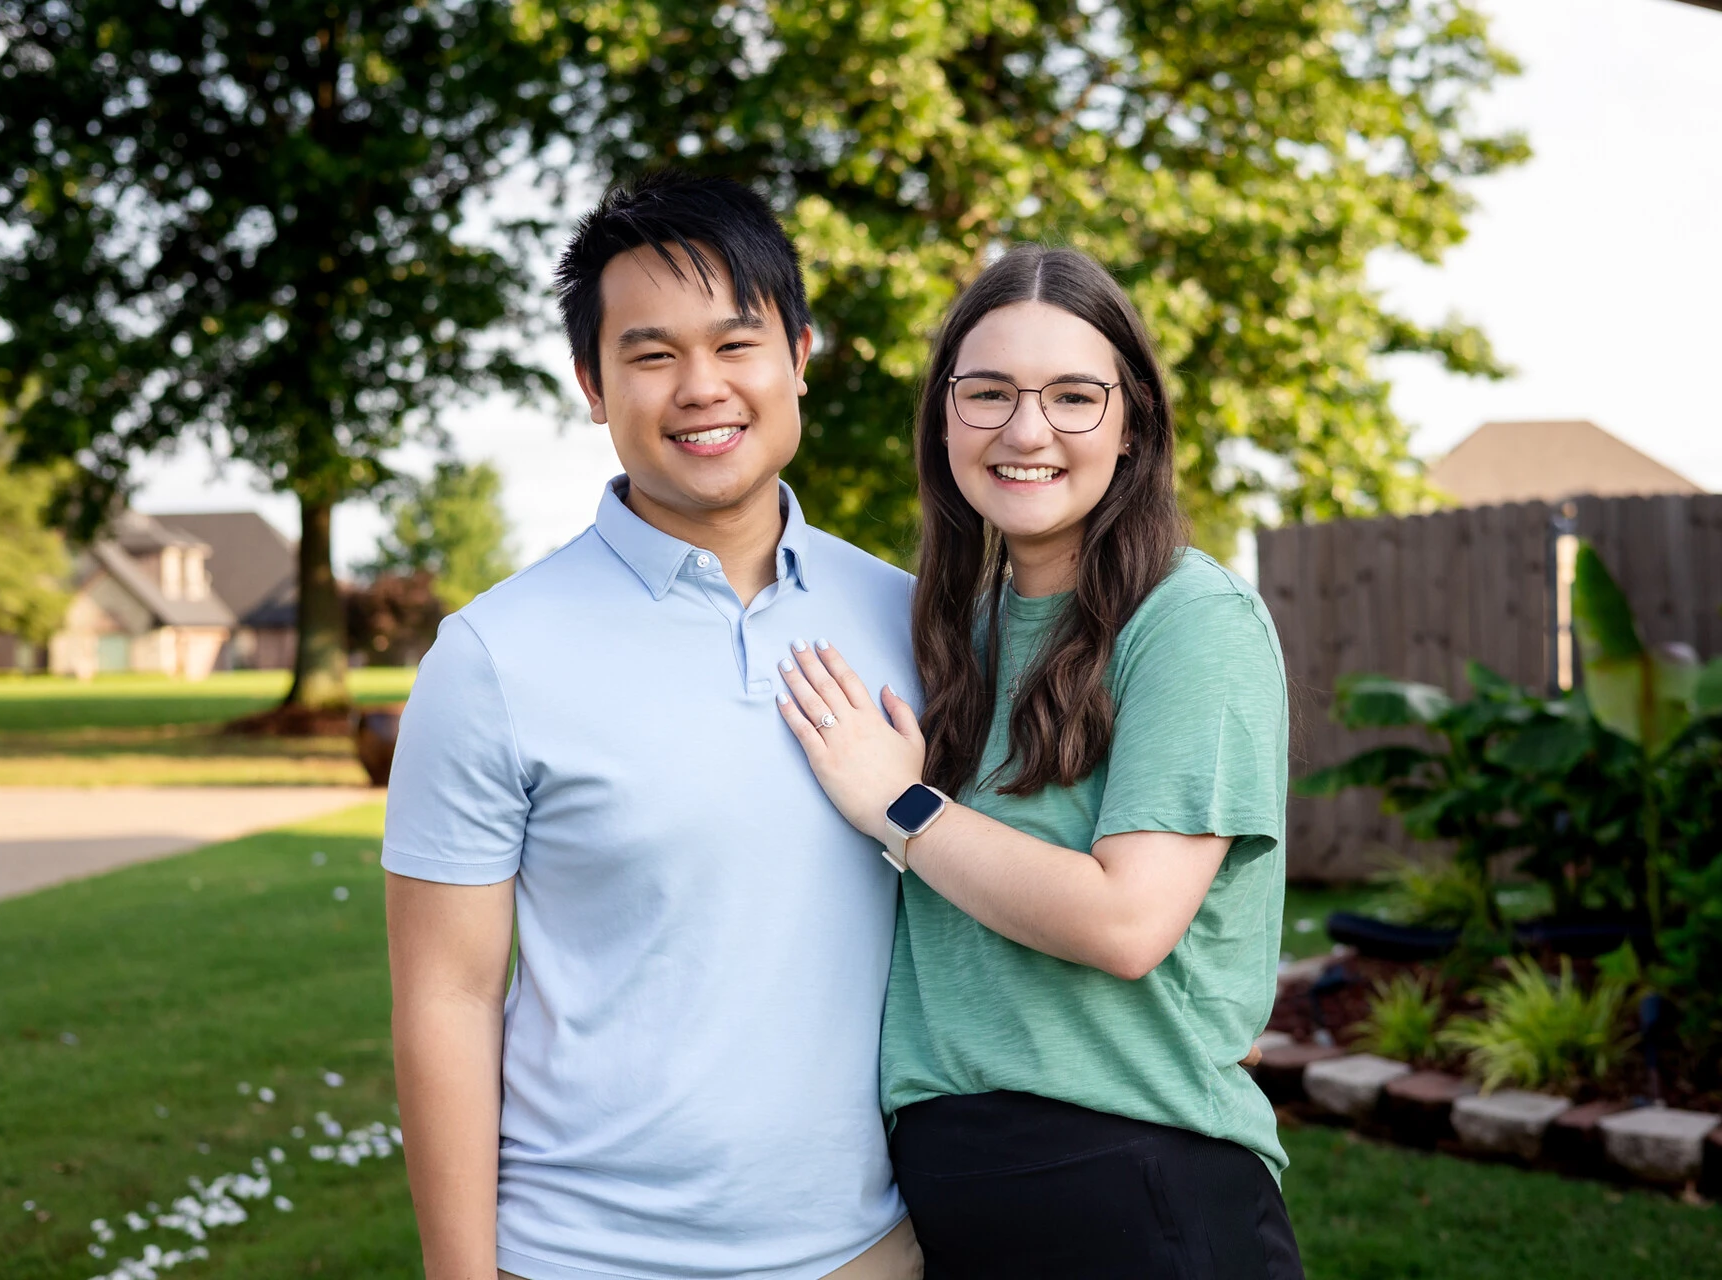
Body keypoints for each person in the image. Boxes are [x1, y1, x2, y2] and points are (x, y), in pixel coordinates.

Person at [382, 171, 923, 1280]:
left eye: (736, 343)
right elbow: (448, 998)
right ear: (593, 384)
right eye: (652, 354)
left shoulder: (911, 620)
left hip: (868, 1247)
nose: (701, 387)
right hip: (580, 1253)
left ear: (800, 355)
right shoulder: (490, 658)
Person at [775, 245, 1303, 1279]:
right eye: (989, 393)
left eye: (1072, 395)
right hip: (954, 1197)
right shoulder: (952, 630)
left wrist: (901, 805)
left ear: (1131, 421)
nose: (1026, 430)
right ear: (944, 417)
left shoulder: (1191, 619)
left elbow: (1126, 921)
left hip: (1139, 1191)